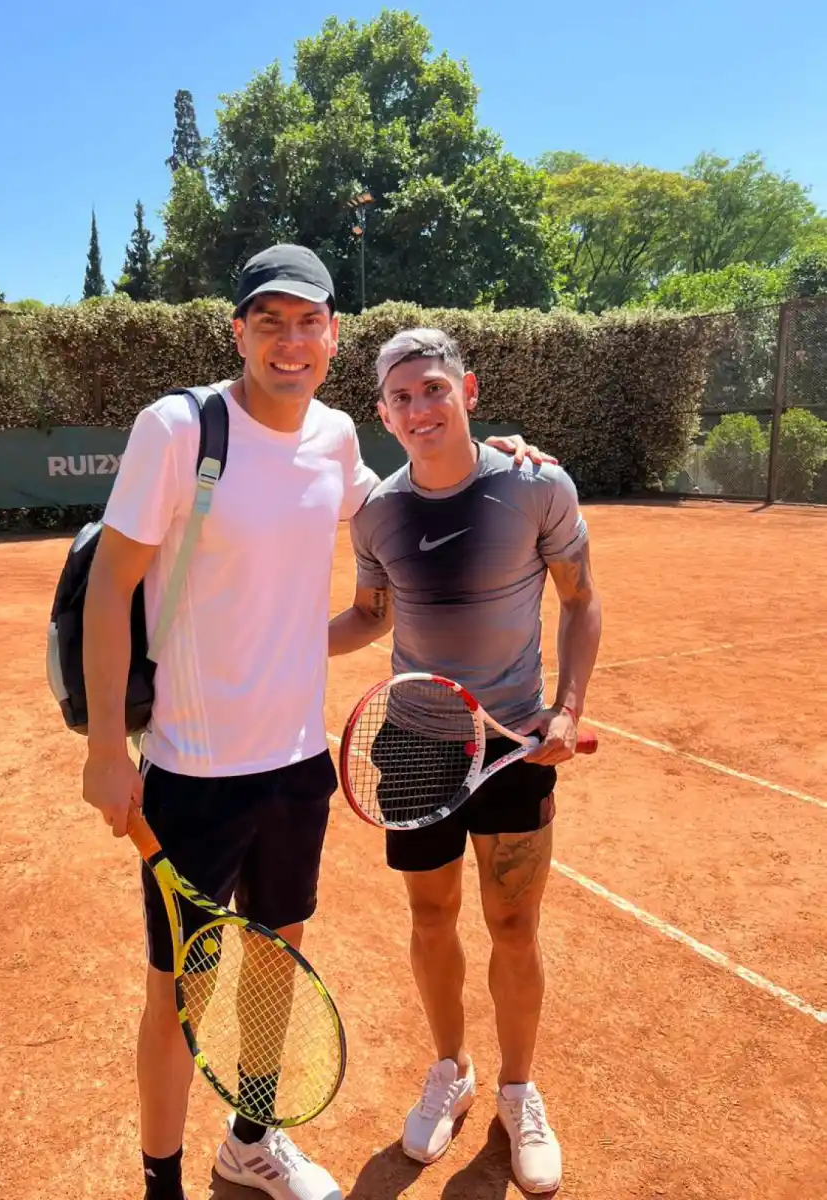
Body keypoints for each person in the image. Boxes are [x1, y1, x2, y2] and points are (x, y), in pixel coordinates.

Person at [80, 249, 555, 1200]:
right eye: (269, 322)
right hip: (191, 772)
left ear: (333, 336)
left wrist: (496, 461)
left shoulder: (336, 438)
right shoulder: (178, 428)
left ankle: (249, 1142)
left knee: (272, 967)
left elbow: (411, 497)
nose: (289, 342)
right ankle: (161, 1183)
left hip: (298, 771)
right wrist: (103, 749)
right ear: (238, 332)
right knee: (178, 993)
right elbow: (109, 585)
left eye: (308, 323)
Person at [328, 328, 602, 1195]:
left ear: (468, 391)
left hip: (514, 743)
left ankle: (518, 1091)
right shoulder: (377, 513)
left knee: (514, 925)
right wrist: (281, 642)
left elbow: (580, 602)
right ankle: (450, 1070)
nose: (420, 409)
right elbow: (371, 615)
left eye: (434, 389)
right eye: (401, 397)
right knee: (430, 918)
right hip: (416, 745)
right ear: (382, 414)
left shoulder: (535, 485)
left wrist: (568, 708)